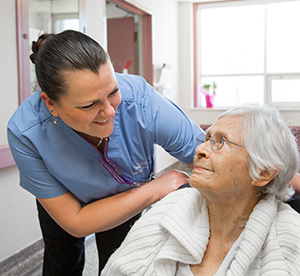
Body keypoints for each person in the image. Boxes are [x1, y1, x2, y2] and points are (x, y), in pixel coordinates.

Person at [7, 30, 204, 275]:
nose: (110, 111)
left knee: (120, 261)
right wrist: (155, 188)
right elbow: (76, 222)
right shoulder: (25, 132)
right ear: (50, 103)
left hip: (124, 197)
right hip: (67, 202)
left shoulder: (141, 100)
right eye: (89, 105)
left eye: (113, 92)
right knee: (61, 261)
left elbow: (207, 154)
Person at [102, 104, 300, 276]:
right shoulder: (167, 210)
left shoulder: (288, 241)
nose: (200, 150)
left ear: (262, 172)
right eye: (207, 138)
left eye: (220, 142)